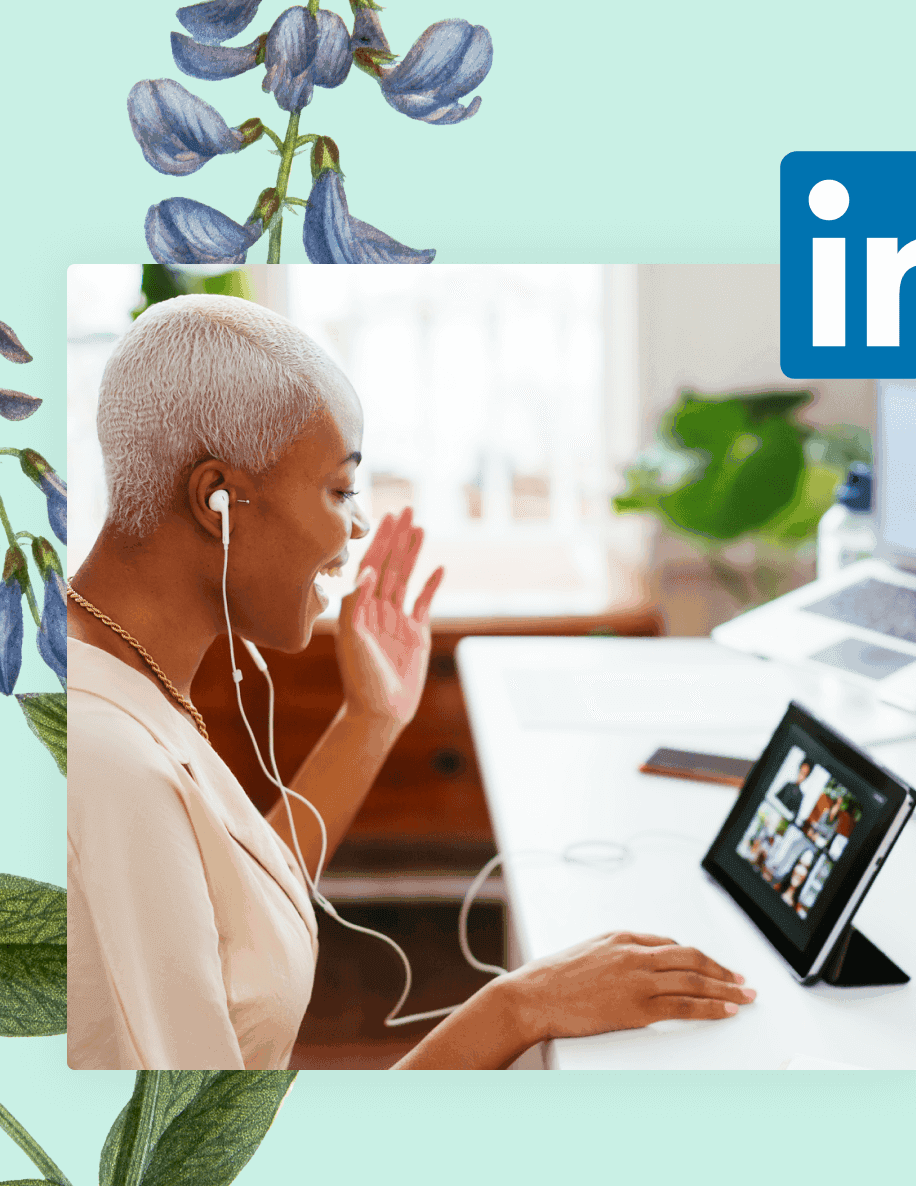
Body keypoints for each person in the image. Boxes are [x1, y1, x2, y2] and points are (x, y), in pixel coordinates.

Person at [66, 298, 756, 1071]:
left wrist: (372, 717)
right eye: (337, 490)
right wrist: (518, 1008)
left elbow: (233, 919)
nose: (357, 528)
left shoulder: (110, 667)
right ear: (217, 500)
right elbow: (208, 1181)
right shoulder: (108, 771)